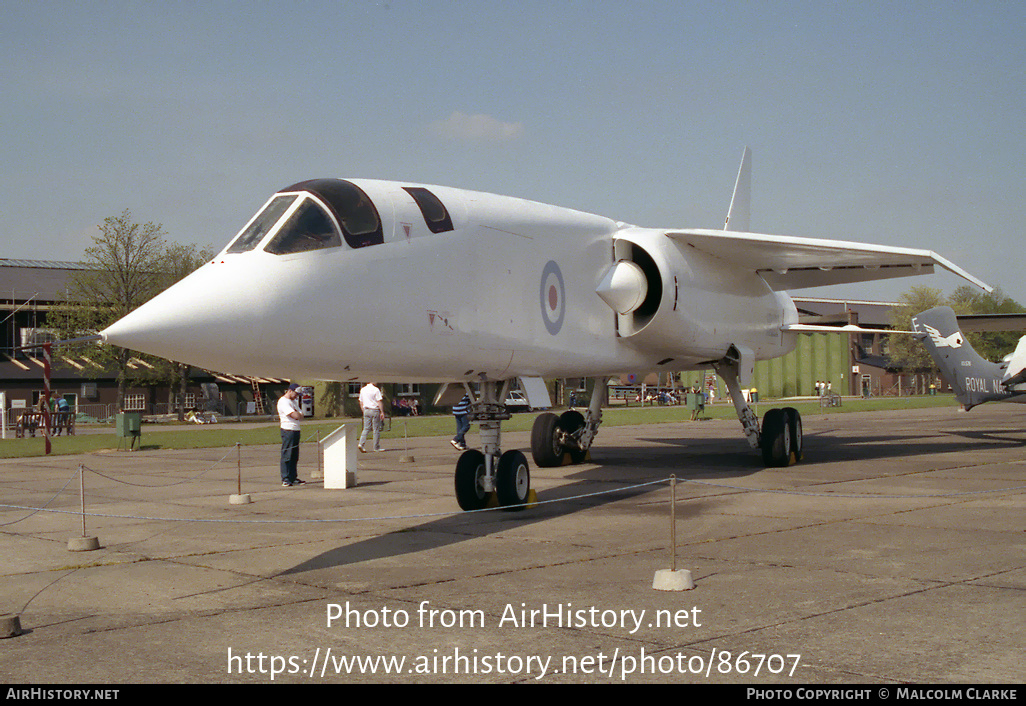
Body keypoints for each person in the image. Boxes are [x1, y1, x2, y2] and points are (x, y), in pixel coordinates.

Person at [278, 383, 306, 486]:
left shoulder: (293, 401)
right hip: (288, 429)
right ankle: (285, 478)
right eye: (296, 394)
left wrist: (298, 414)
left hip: (296, 429)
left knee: (294, 455)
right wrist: (297, 414)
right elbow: (294, 415)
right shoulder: (283, 401)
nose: (296, 396)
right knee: (287, 454)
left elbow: (301, 414)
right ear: (290, 391)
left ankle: (293, 477)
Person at [358, 382, 385, 452]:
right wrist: (382, 411)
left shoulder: (363, 390)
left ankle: (361, 443)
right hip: (374, 410)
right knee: (376, 429)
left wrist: (363, 411)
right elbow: (379, 401)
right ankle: (376, 447)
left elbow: (361, 402)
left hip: (366, 410)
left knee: (366, 428)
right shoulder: (376, 390)